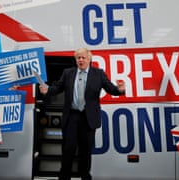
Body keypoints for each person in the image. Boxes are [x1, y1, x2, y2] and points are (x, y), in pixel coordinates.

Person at [39, 47, 126, 180]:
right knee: (68, 149)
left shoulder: (98, 74)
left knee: (85, 151)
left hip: (88, 118)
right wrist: (47, 90)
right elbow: (57, 87)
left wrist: (119, 90)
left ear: (89, 59)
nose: (80, 60)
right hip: (72, 117)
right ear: (75, 60)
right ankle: (64, 177)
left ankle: (85, 176)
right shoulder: (68, 73)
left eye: (83, 57)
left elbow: (111, 89)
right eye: (78, 58)